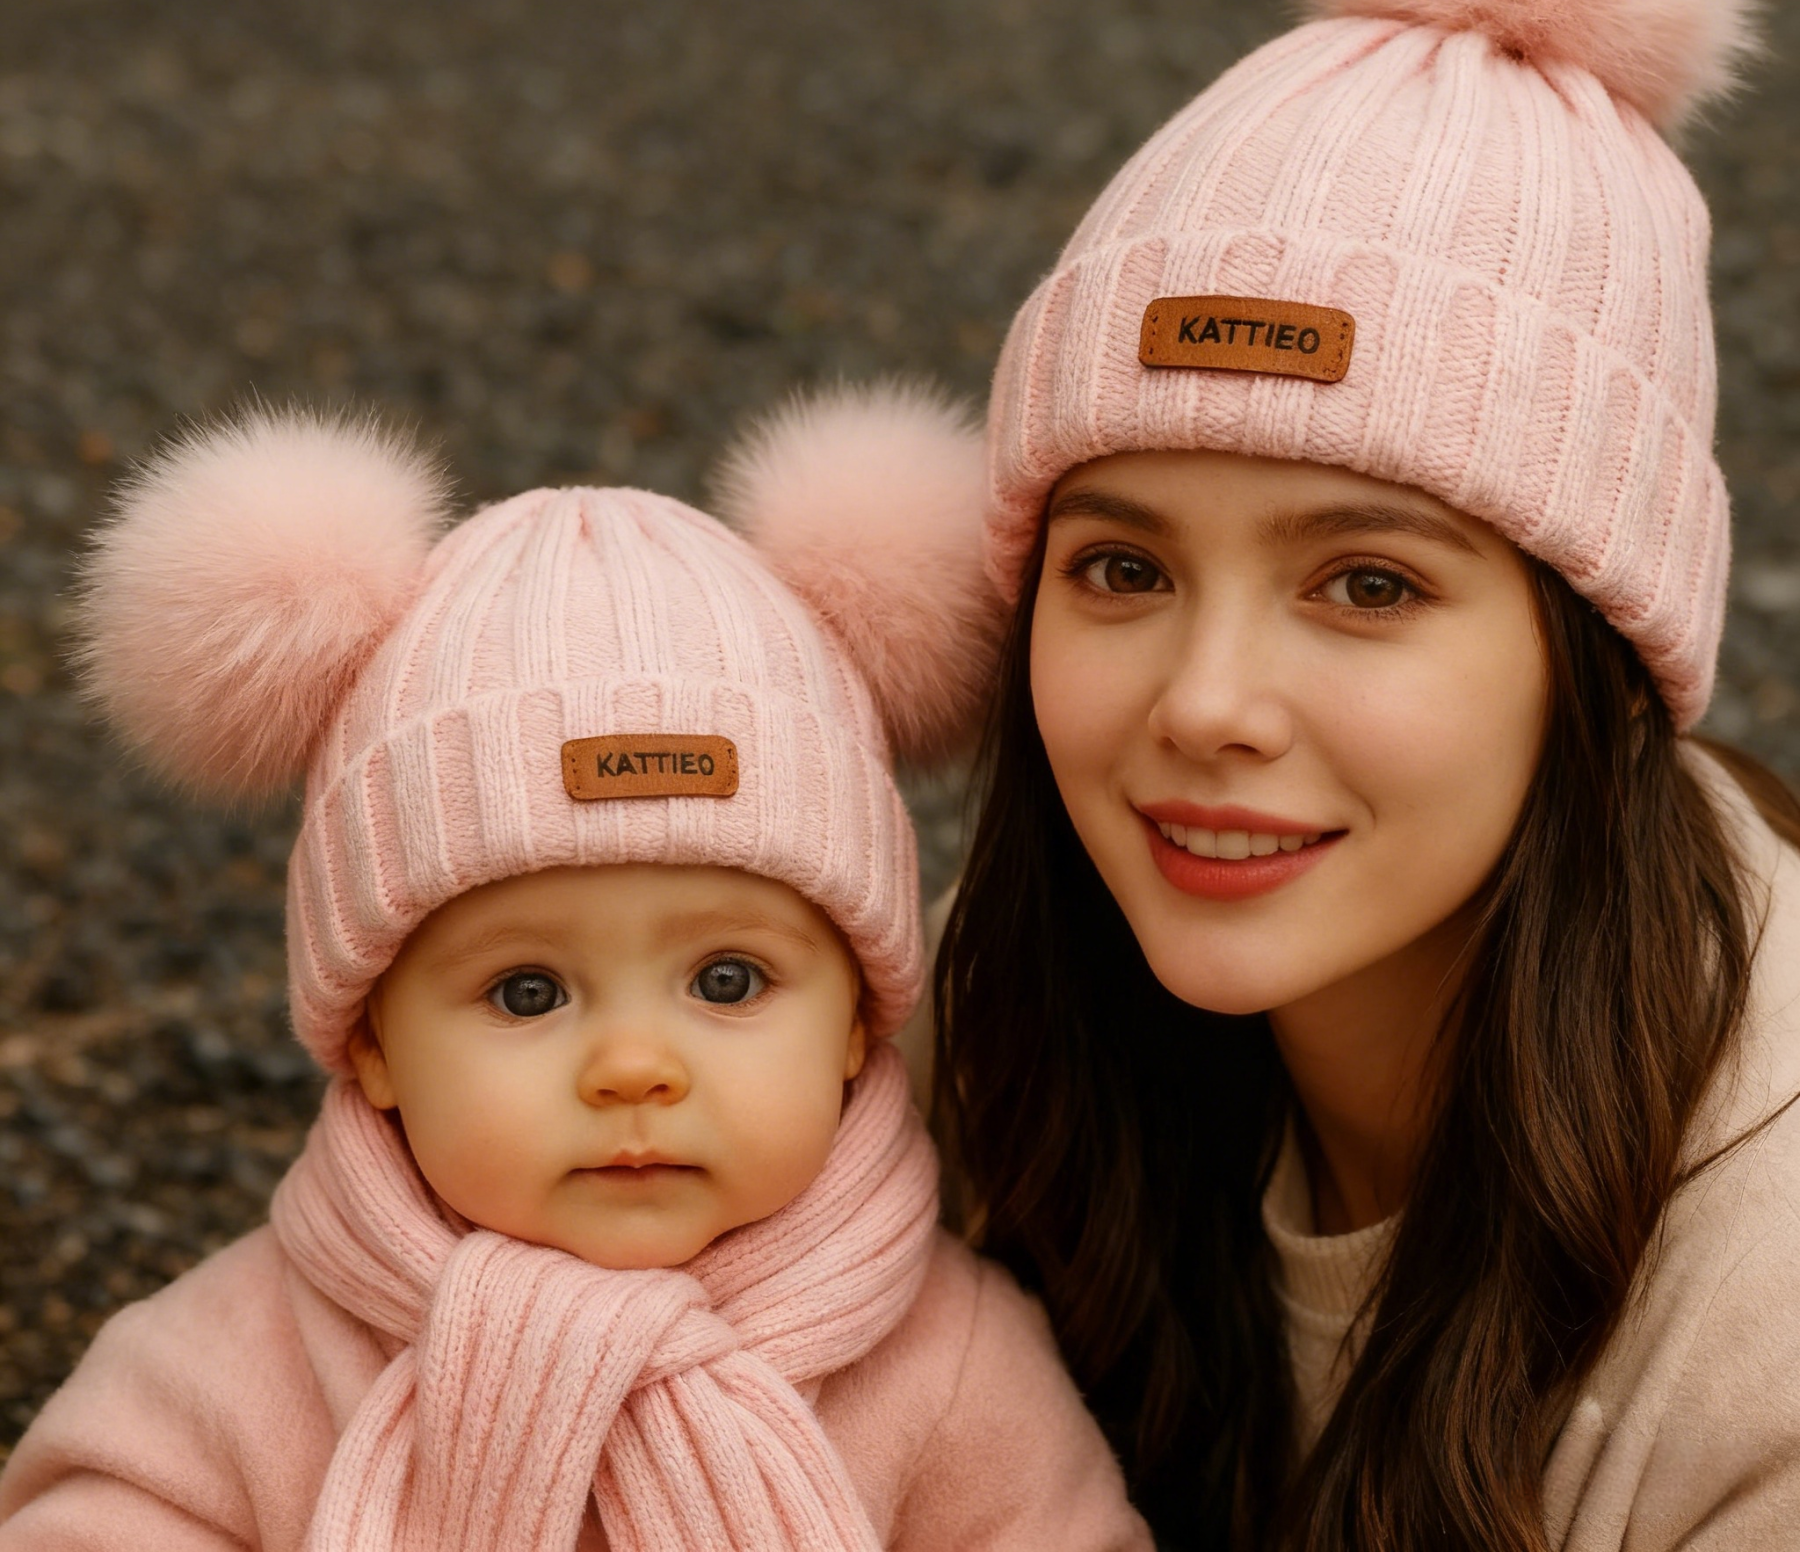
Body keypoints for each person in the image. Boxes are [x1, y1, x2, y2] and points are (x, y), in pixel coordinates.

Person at [932, 0, 1800, 1551]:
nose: (1206, 705)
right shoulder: (1002, 1020)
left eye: (1369, 587)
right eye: (1119, 566)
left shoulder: (1767, 1319)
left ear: (1603, 659)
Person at [0, 393, 1148, 1550]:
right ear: (371, 1041)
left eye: (730, 982)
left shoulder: (950, 1366)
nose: (634, 1068)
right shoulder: (237, 1367)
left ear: (858, 1020)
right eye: (529, 993)